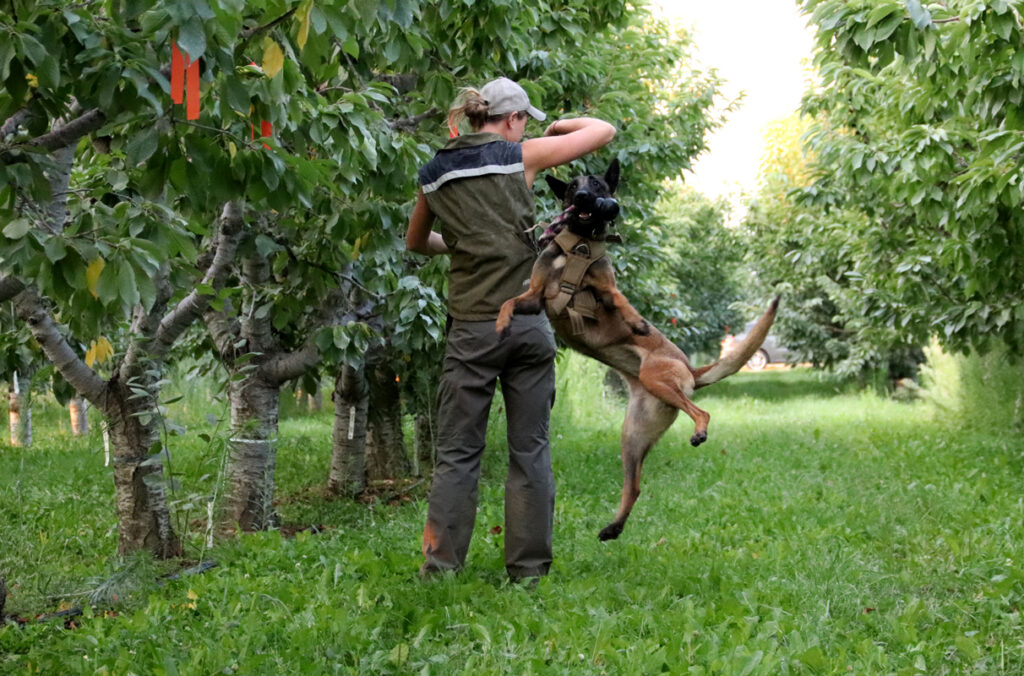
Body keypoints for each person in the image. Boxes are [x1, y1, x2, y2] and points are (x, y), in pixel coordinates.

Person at [406, 77, 616, 582]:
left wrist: (459, 243)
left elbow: (416, 241)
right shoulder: (520, 156)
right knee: (530, 451)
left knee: (457, 455)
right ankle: (527, 572)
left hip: (471, 332)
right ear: (514, 119)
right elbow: (603, 130)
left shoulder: (435, 173)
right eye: (525, 120)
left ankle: (440, 570)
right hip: (526, 328)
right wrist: (561, 124)